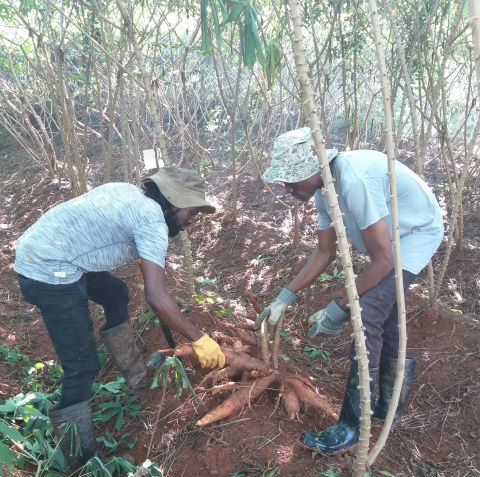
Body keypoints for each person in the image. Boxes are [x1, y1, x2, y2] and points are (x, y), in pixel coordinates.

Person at [14, 165, 225, 469]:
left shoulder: (129, 192)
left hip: (46, 252)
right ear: (174, 202)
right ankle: (82, 461)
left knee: (115, 293)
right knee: (82, 365)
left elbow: (106, 225)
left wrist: (143, 254)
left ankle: (136, 375)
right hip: (48, 271)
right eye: (191, 213)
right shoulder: (152, 219)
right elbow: (156, 297)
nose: (191, 222)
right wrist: (198, 338)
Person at [257, 127, 443, 453]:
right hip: (391, 244)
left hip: (415, 234)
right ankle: (391, 404)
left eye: (291, 179)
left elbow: (384, 261)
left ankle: (351, 426)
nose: (286, 188)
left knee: (367, 313)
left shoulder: (354, 181)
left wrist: (339, 308)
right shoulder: (323, 190)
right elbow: (324, 252)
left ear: (314, 168)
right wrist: (284, 297)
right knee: (384, 316)